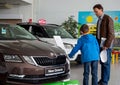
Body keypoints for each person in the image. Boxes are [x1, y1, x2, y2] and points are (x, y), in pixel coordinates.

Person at [93, 4, 115, 85]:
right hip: (100, 44)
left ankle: (105, 82)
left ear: (101, 9)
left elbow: (111, 34)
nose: (95, 13)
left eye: (96, 11)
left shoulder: (108, 18)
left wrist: (106, 45)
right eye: (94, 12)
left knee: (106, 64)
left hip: (106, 46)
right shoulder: (99, 20)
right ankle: (103, 80)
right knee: (102, 63)